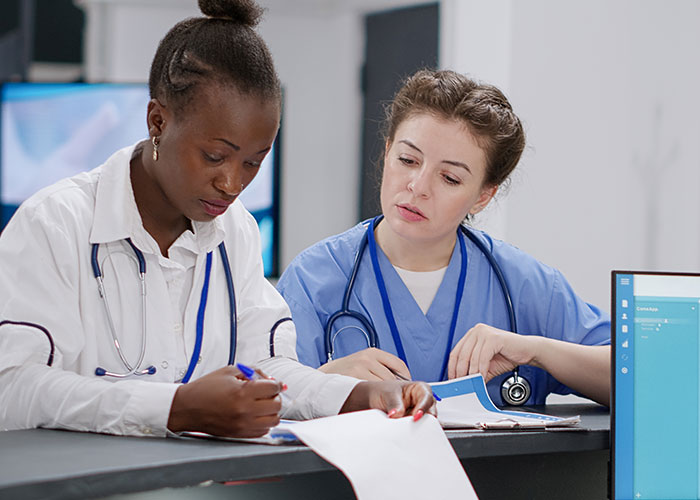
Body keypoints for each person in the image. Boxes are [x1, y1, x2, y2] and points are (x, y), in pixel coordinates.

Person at [0, 0, 435, 438]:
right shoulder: (55, 222)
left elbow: (267, 370)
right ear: (157, 121)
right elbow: (11, 388)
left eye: (253, 162)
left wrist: (361, 395)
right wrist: (175, 408)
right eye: (214, 156)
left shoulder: (237, 231)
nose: (232, 183)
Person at [277, 69, 611, 407]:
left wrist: (537, 350)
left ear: (483, 196)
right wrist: (325, 381)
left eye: (449, 178)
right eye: (407, 160)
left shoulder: (523, 284)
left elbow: (644, 378)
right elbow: (261, 396)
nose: (418, 186)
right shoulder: (314, 278)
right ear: (387, 150)